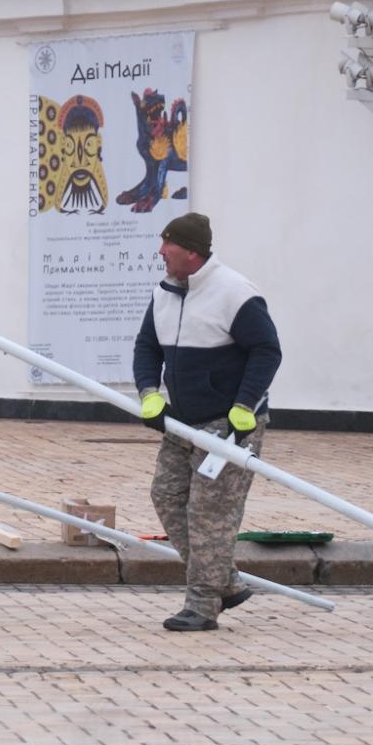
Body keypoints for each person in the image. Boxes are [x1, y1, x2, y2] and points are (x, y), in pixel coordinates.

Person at [131, 212, 282, 632]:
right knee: (166, 495)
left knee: (209, 515)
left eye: (168, 246)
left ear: (192, 253)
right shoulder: (164, 293)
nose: (160, 252)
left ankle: (202, 605)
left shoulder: (235, 293)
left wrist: (245, 405)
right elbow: (147, 347)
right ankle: (225, 582)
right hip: (182, 422)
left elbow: (267, 351)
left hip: (229, 425)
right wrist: (149, 394)